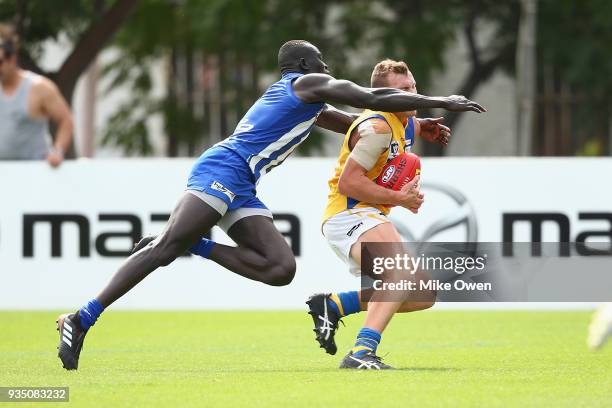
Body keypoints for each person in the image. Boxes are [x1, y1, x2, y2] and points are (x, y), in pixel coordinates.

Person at [56, 40, 484, 370]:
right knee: (164, 248)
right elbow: (366, 99)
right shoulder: (304, 83)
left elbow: (352, 124)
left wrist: (416, 121)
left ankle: (196, 245)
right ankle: (83, 316)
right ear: (301, 67)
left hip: (242, 183)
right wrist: (441, 101)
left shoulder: (307, 104)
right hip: (222, 170)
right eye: (321, 63)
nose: (327, 71)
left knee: (280, 269)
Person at [307, 59, 462, 369]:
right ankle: (361, 353)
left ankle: (336, 304)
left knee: (423, 293)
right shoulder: (375, 128)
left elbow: (407, 127)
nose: (413, 94)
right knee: (400, 275)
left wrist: (425, 126)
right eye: (403, 90)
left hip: (367, 215)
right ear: (384, 96)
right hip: (349, 214)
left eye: (413, 87)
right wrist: (400, 199)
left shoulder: (404, 120)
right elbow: (349, 183)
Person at [0, 24, 73, 167]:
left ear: (12, 59)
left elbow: (66, 121)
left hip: (35, 173)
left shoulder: (39, 87)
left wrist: (57, 152)